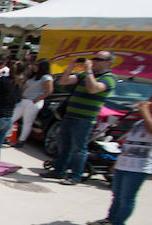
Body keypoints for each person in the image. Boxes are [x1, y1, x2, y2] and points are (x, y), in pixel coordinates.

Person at [43, 51, 116, 184]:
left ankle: (75, 176)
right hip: (70, 115)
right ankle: (58, 170)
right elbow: (64, 81)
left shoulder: (109, 78)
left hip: (84, 119)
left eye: (98, 59)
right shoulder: (84, 75)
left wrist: (88, 71)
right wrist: (71, 66)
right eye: (94, 58)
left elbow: (93, 89)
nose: (94, 61)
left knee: (79, 148)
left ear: (108, 63)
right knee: (63, 145)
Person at [87, 95, 152, 225]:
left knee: (127, 197)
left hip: (139, 167)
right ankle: (110, 220)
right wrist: (117, 162)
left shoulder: (147, 119)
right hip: (124, 163)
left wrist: (145, 111)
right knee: (117, 195)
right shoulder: (141, 121)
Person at [10, 59, 53, 148]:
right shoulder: (33, 76)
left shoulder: (46, 78)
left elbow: (49, 91)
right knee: (12, 117)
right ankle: (7, 136)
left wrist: (37, 99)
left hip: (33, 102)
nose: (35, 67)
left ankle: (21, 140)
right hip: (24, 100)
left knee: (27, 122)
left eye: (37, 65)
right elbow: (25, 86)